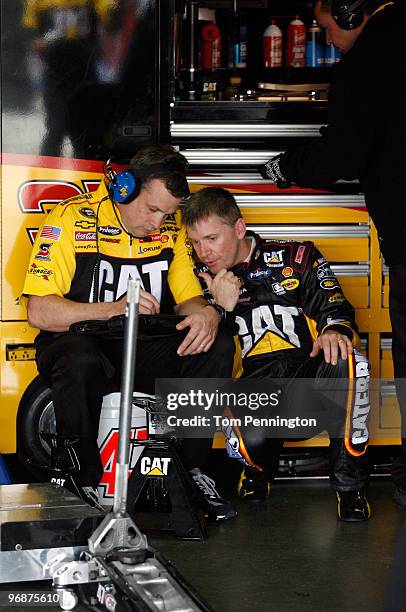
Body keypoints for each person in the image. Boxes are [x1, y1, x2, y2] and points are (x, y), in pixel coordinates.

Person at [22, 145, 235, 520]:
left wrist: (206, 314)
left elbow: (188, 300)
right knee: (79, 356)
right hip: (82, 346)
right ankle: (80, 479)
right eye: (152, 210)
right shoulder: (73, 219)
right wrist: (115, 309)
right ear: (124, 189)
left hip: (142, 346)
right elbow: (39, 311)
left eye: (166, 213)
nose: (158, 222)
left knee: (212, 344)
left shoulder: (169, 232)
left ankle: (189, 472)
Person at [258, 0, 406, 506]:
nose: (327, 39)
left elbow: (341, 154)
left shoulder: (369, 59)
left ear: (349, 13)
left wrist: (286, 167)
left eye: (325, 28)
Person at [183, 187, 371, 522]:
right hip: (252, 397)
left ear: (239, 228)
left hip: (307, 391)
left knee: (350, 359)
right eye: (195, 242)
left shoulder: (295, 258)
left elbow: (337, 308)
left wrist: (334, 330)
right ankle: (257, 470)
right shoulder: (196, 283)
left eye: (212, 238)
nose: (204, 252)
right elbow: (201, 356)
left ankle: (349, 487)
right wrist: (220, 310)